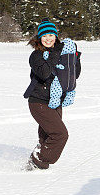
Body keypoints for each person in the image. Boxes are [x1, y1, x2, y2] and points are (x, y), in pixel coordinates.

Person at [23, 19, 81, 170]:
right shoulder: (36, 56)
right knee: (60, 134)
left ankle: (33, 168)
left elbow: (75, 75)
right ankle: (38, 161)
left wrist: (74, 58)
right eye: (44, 36)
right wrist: (56, 52)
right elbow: (44, 73)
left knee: (47, 137)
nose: (48, 39)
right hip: (39, 102)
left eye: (51, 35)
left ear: (56, 36)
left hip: (56, 101)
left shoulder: (62, 52)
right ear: (39, 38)